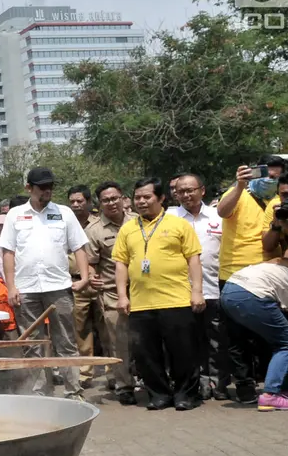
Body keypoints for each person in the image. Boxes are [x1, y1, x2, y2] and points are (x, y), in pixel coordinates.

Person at [0, 167, 91, 398]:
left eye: (50, 187)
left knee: (67, 342)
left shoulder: (65, 213)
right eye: (42, 187)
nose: (47, 191)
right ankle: (41, 394)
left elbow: (79, 247)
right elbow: (8, 252)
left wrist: (85, 277)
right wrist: (11, 287)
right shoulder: (15, 215)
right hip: (26, 289)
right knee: (32, 344)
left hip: (59, 287)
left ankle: (73, 391)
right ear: (29, 188)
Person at [113, 178, 204, 411]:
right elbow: (121, 264)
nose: (141, 202)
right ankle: (159, 394)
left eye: (147, 197)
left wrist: (197, 292)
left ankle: (186, 395)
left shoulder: (178, 225)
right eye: (137, 197)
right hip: (141, 303)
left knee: (183, 351)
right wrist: (122, 296)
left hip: (176, 299)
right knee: (146, 354)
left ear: (161, 198)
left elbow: (193, 259)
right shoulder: (128, 228)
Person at [217, 164, 277, 403]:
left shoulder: (279, 200)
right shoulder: (238, 194)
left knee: (268, 333)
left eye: (275, 175)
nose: (269, 179)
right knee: (236, 336)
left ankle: (268, 382)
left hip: (268, 275)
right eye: (265, 174)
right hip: (234, 276)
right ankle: (244, 384)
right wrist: (240, 185)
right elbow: (222, 211)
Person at [220, 255, 288, 411]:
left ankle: (285, 392)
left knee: (280, 342)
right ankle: (270, 395)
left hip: (230, 290)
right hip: (250, 293)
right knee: (287, 343)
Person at [171, 173, 226, 400]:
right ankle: (199, 385)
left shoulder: (219, 215)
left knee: (217, 341)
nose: (185, 195)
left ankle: (219, 383)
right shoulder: (170, 217)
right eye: (181, 191)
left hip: (214, 288)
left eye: (190, 190)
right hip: (180, 292)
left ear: (202, 191)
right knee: (189, 342)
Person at [85, 182, 136, 403]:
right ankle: (124, 385)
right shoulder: (94, 230)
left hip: (143, 290)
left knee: (147, 340)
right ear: (99, 203)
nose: (111, 203)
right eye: (106, 200)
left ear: (123, 198)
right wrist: (91, 277)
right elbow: (89, 263)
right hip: (113, 293)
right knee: (119, 342)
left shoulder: (138, 221)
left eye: (115, 198)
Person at [66, 185, 100, 386]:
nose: (76, 205)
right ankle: (85, 373)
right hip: (76, 282)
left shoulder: (98, 224)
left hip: (100, 281)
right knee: (80, 331)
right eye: (72, 201)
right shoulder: (65, 224)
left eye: (80, 201)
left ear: (88, 202)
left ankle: (114, 373)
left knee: (108, 330)